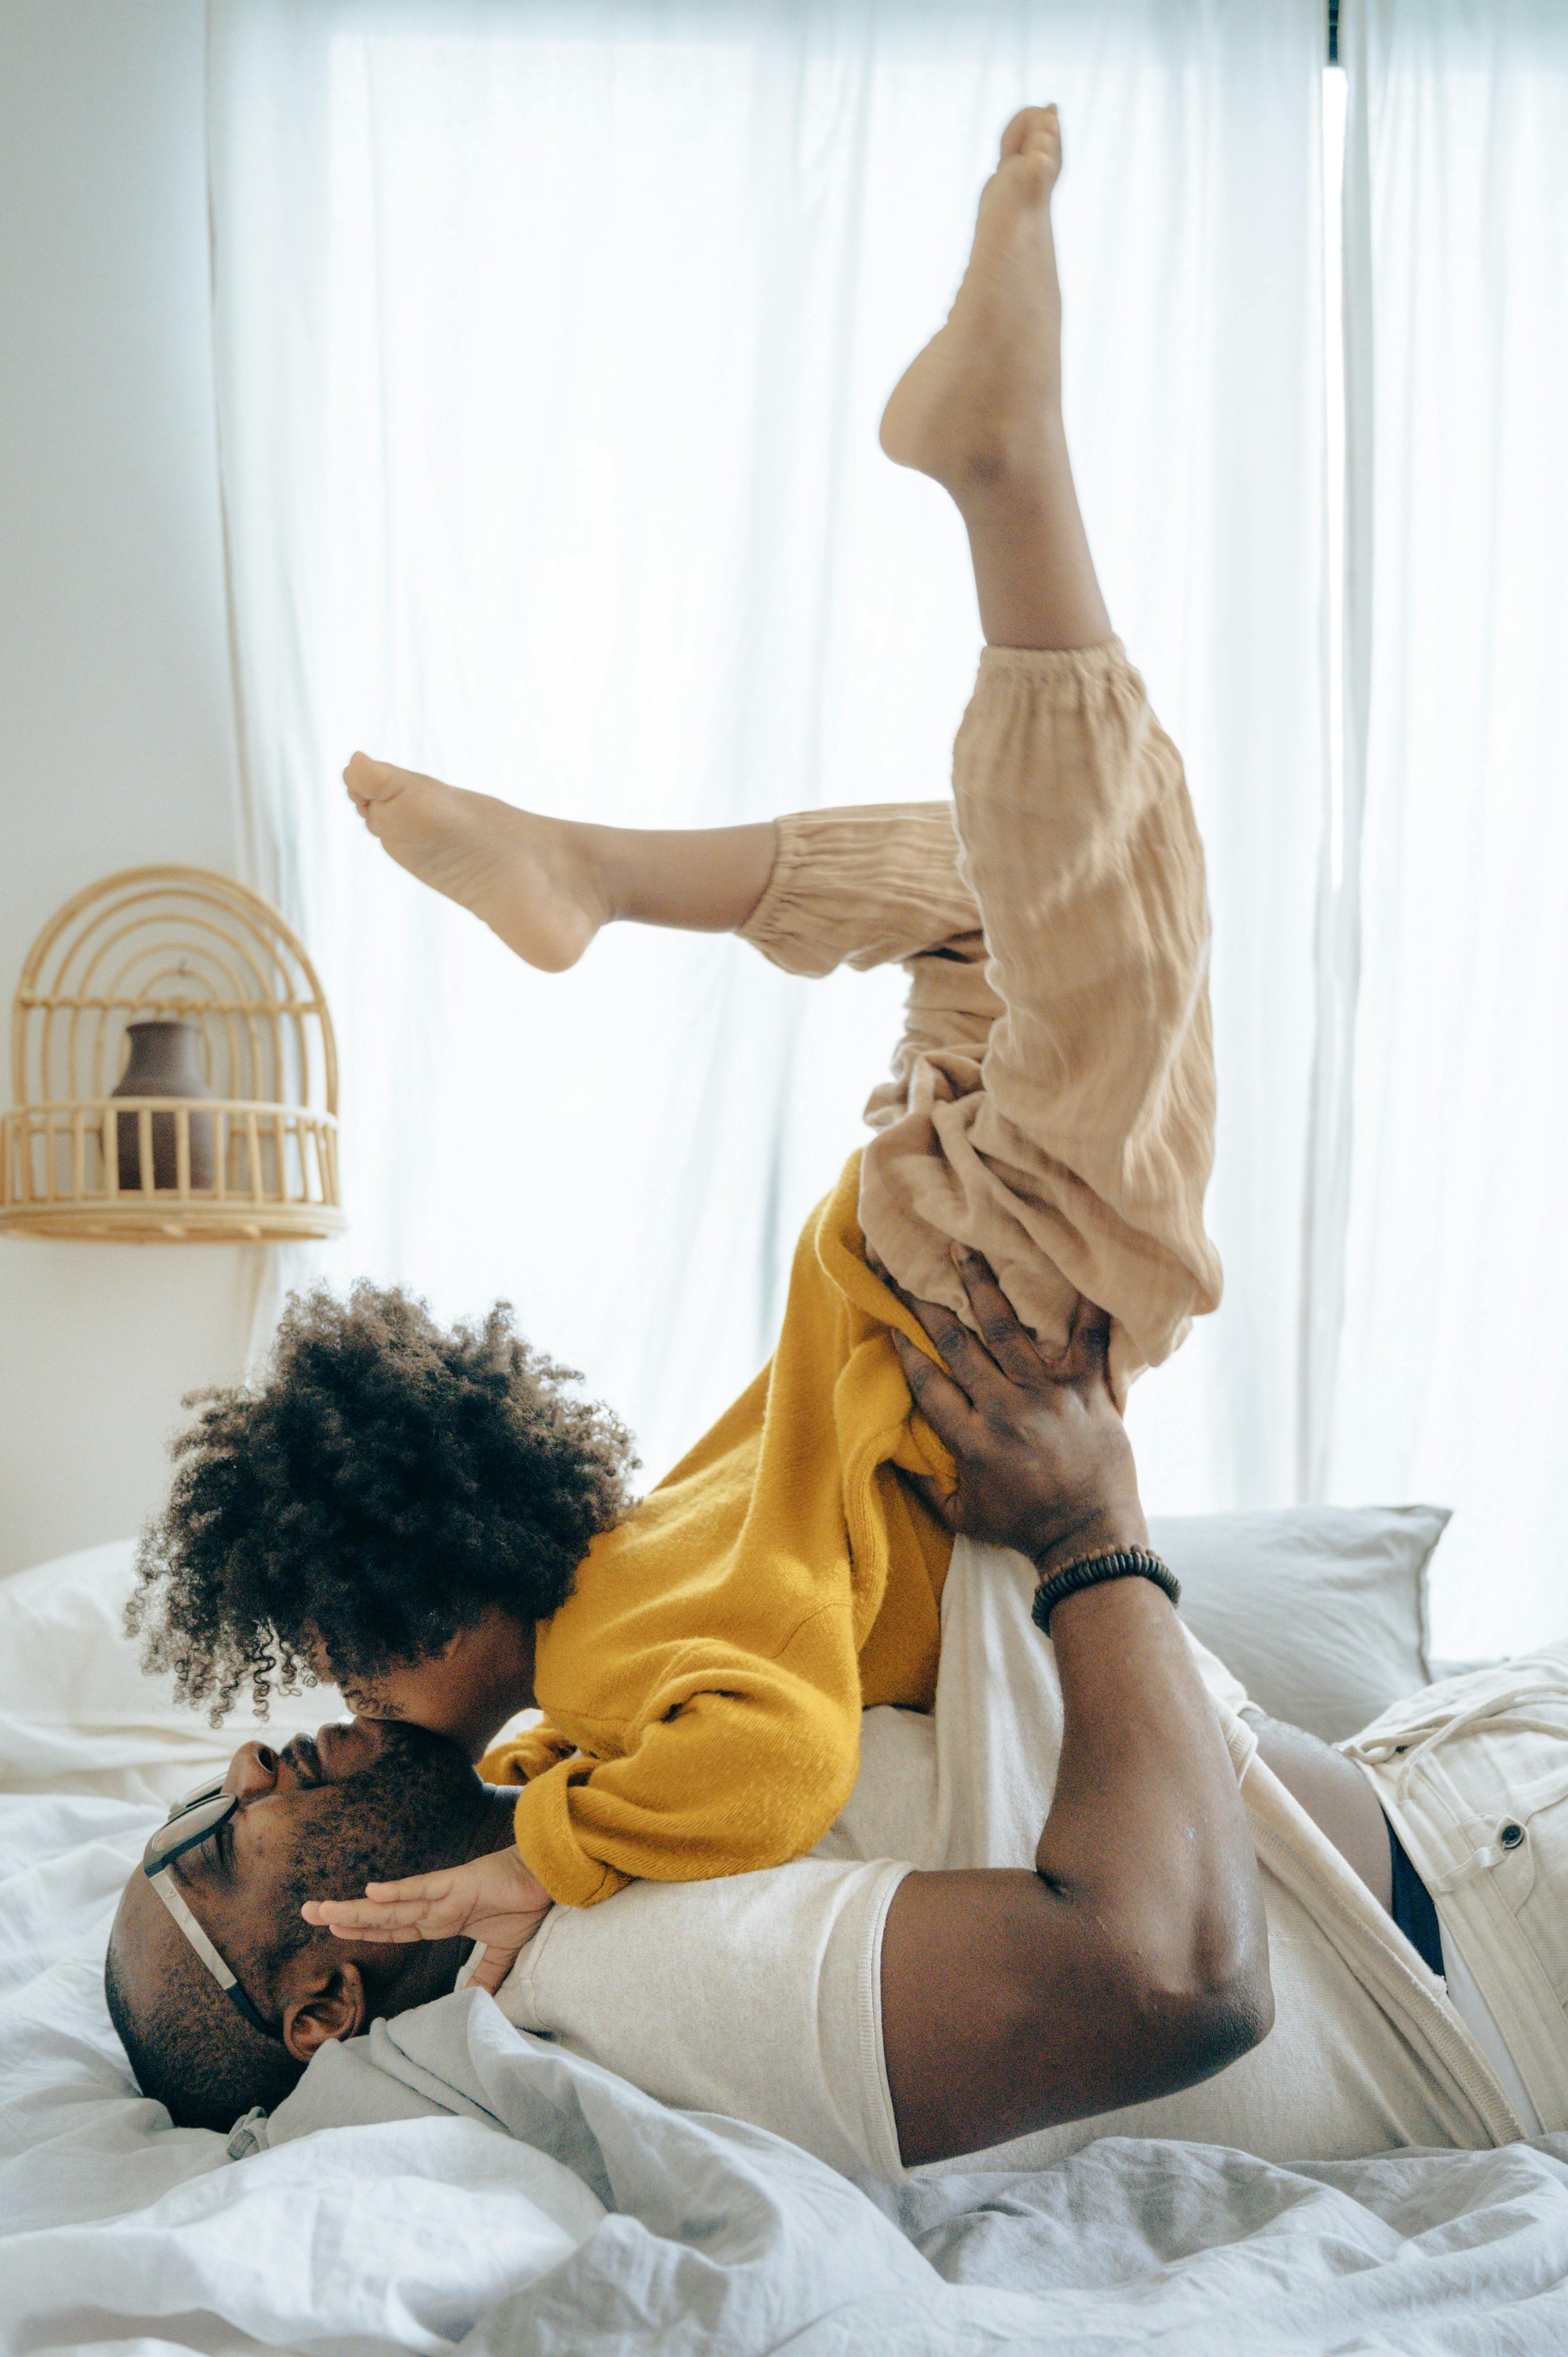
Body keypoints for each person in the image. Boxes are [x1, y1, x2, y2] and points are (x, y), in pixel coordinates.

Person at [129, 105, 1226, 1969]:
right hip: (900, 1268)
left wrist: (551, 1848)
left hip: (980, 1310)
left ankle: (1004, 470)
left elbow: (776, 1758)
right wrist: (551, 1806)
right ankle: (604, 875)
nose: (338, 1693)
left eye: (339, 1638)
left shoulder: (612, 1655)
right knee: (1012, 892)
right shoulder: (616, 1588)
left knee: (1118, 917)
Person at [104, 1270, 1560, 2168]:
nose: (239, 1765)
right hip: (1498, 1922)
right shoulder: (613, 1967)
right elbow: (1172, 1977)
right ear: (319, 2006)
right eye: (212, 1843)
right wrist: (1091, 1535)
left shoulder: (606, 1774)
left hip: (1456, 1766)